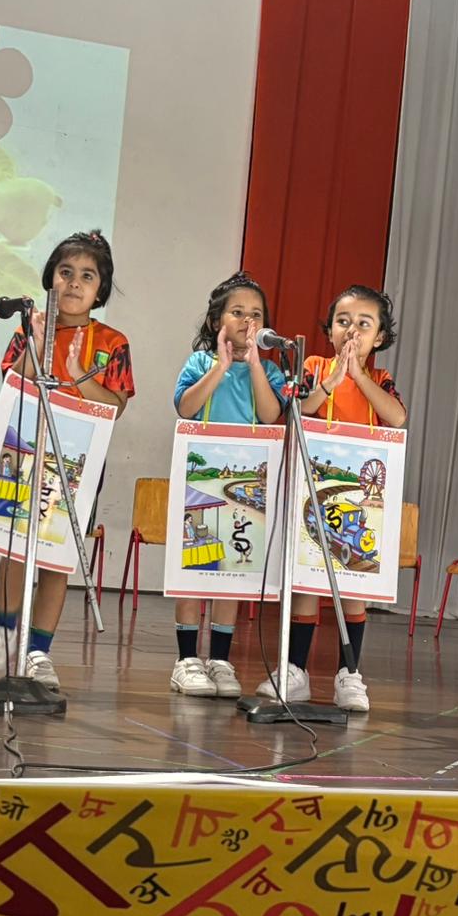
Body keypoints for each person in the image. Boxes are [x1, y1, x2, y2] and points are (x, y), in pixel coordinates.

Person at [0, 230, 134, 692]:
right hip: (24, 450)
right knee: (14, 545)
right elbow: (12, 382)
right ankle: (3, 630)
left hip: (77, 463)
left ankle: (39, 650)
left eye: (87, 276)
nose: (75, 283)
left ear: (100, 289)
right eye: (66, 272)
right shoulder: (32, 327)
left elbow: (116, 406)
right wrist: (36, 344)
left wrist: (80, 377)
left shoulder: (112, 342)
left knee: (57, 557)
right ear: (50, 279)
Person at [256, 286, 407, 713]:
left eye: (364, 324)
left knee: (353, 585)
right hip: (312, 491)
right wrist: (332, 382)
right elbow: (298, 409)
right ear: (329, 330)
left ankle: (349, 673)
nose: (352, 331)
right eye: (343, 322)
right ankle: (295, 671)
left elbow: (397, 417)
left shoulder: (380, 380)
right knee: (308, 581)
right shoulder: (314, 366)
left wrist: (358, 376)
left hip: (356, 500)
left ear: (379, 337)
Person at [170, 272, 285, 697]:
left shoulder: (268, 370)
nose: (247, 322)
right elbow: (186, 408)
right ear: (217, 319)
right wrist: (221, 366)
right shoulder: (200, 364)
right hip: (201, 480)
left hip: (247, 478)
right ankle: (186, 660)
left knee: (233, 567)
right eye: (237, 312)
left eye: (256, 315)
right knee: (195, 566)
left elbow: (271, 415)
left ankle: (219, 659)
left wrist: (253, 363)